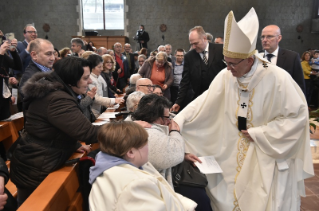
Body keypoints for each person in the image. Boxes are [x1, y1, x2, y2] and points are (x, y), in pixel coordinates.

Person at [173, 8, 314, 211]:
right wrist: (180, 119)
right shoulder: (227, 75)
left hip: (265, 151)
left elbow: (297, 117)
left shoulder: (278, 78)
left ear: (249, 60)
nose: (228, 68)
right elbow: (204, 101)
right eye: (226, 62)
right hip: (231, 148)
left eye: (232, 64)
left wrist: (260, 133)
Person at [10, 57, 99, 206]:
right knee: (31, 205)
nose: (89, 82)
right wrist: (129, 128)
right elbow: (88, 133)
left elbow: (55, 126)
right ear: (71, 79)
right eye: (85, 78)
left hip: (38, 160)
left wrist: (75, 144)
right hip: (36, 166)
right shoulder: (57, 99)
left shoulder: (57, 91)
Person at [89, 121, 197, 211]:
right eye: (146, 143)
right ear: (131, 152)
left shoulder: (113, 164)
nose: (148, 147)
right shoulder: (135, 184)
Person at [131, 94, 212, 211]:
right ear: (156, 117)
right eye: (167, 117)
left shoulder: (143, 126)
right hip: (152, 191)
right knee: (200, 198)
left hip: (155, 182)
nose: (169, 121)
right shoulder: (149, 132)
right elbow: (171, 156)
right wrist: (175, 131)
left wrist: (184, 156)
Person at [171, 26, 226, 113]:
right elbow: (185, 81)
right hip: (200, 99)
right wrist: (178, 102)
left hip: (221, 97)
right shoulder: (189, 56)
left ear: (204, 38)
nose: (193, 46)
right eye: (191, 44)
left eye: (196, 43)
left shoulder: (220, 50)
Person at [260, 25, 305, 93]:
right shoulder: (256, 57)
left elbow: (299, 85)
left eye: (269, 36)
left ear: (279, 38)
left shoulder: (292, 57)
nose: (265, 40)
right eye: (263, 37)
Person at [0, 39, 21, 120]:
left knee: (6, 124)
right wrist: (1, 54)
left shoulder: (2, 55)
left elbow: (17, 66)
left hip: (4, 96)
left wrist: (13, 52)